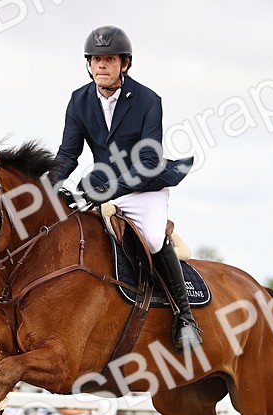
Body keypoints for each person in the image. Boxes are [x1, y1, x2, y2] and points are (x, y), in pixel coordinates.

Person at [49, 25, 201, 352]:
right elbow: (67, 154)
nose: (101, 65)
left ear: (124, 64)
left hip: (144, 188)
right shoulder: (79, 100)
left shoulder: (148, 100)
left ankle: (184, 315)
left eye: (109, 59)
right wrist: (45, 187)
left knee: (150, 237)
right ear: (88, 64)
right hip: (99, 185)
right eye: (96, 60)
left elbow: (147, 159)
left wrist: (109, 190)